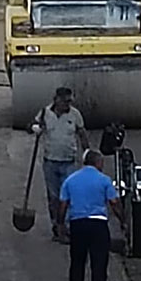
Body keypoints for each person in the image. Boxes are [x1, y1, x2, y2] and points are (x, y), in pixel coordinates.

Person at [58, 149, 124, 281]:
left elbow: (63, 204)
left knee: (77, 262)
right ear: (98, 162)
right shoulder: (104, 180)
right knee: (99, 264)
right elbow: (114, 203)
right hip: (98, 225)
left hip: (77, 224)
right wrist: (123, 220)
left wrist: (60, 223)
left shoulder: (71, 180)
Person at [31, 87, 90, 243]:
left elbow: (82, 134)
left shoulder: (75, 115)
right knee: (54, 197)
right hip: (50, 161)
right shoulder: (45, 113)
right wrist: (34, 128)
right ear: (56, 99)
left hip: (68, 161)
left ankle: (68, 227)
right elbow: (32, 124)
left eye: (70, 101)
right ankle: (57, 227)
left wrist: (87, 153)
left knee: (69, 196)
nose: (67, 104)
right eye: (65, 101)